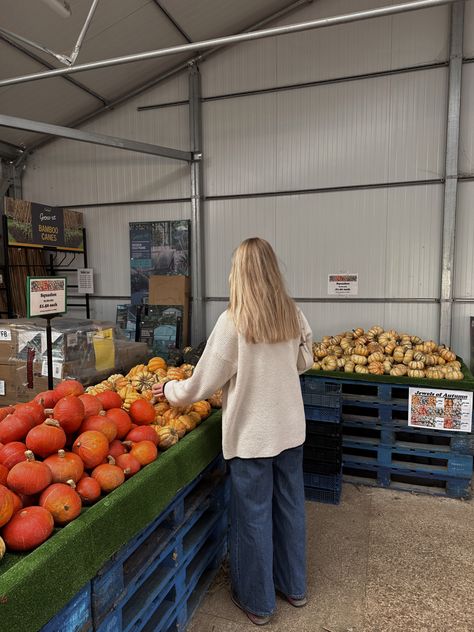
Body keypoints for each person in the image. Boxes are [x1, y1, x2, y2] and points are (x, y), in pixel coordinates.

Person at [152, 237, 313, 626]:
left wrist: (171, 392)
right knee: (291, 508)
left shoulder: (234, 321)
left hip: (253, 437)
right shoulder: (292, 313)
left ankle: (258, 604)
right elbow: (305, 358)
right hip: (290, 430)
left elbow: (204, 382)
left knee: (253, 517)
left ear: (238, 273)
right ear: (273, 270)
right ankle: (294, 587)